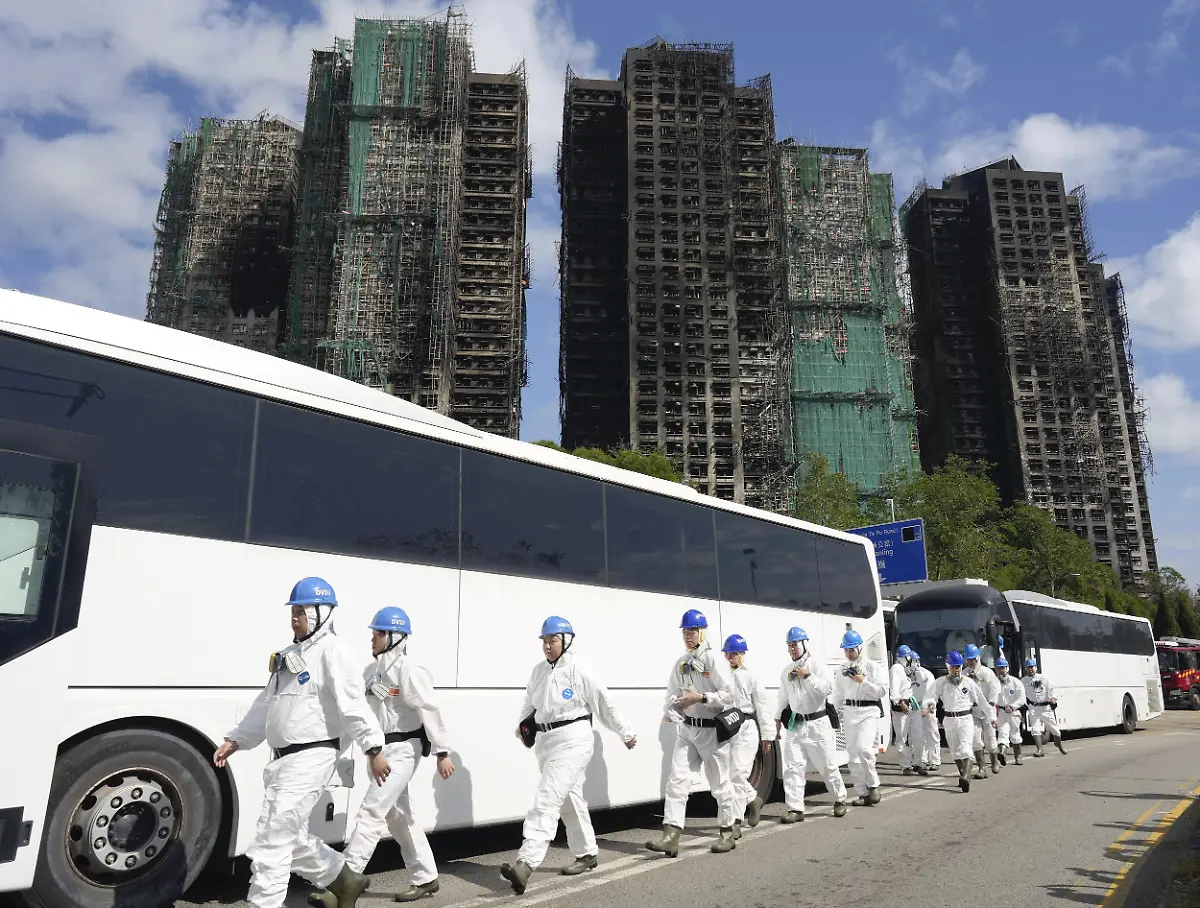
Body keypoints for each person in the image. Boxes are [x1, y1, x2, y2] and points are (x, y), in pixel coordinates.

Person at [213, 577, 389, 908]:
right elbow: (266, 703)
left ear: (321, 613)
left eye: (301, 611)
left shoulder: (335, 653)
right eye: (292, 612)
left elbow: (354, 707)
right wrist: (236, 739)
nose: (294, 618)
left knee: (273, 841)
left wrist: (374, 750)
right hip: (282, 761)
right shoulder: (290, 654)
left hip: (312, 756)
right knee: (290, 837)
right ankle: (344, 879)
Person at [501, 616, 637, 894]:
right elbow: (529, 705)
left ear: (566, 641)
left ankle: (525, 863)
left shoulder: (580, 670)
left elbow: (604, 704)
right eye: (545, 641)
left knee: (547, 798)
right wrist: (521, 727)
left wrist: (626, 733)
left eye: (552, 641)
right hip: (546, 741)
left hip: (574, 739)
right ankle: (587, 853)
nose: (547, 646)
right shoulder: (538, 671)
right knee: (569, 800)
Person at [327, 607, 454, 904]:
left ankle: (343, 882)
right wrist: (335, 749)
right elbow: (357, 715)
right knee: (399, 818)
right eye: (373, 632)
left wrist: (442, 752)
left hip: (405, 750)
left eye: (379, 633)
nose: (373, 638)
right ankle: (426, 877)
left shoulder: (410, 672)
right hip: (381, 752)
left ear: (397, 636)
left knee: (371, 812)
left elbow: (431, 711)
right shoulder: (371, 673)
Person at [646, 609, 740, 856]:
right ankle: (671, 835)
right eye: (685, 631)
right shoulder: (681, 663)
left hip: (711, 731)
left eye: (692, 631)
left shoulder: (713, 660)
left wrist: (701, 697)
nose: (688, 636)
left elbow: (730, 695)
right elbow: (671, 695)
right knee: (677, 781)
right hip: (688, 730)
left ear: (702, 632)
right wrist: (675, 709)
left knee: (719, 783)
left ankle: (728, 832)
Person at [775, 626, 848, 821]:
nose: (792, 648)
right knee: (792, 767)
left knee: (827, 765)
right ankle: (795, 809)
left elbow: (826, 688)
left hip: (818, 723)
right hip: (796, 724)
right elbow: (783, 697)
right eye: (789, 645)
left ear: (805, 644)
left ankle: (840, 798)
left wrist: (807, 676)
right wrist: (776, 719)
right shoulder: (786, 671)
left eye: (795, 644)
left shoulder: (816, 665)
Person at [721, 633, 773, 837]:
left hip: (747, 728)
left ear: (742, 654)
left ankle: (735, 821)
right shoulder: (723, 676)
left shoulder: (751, 677)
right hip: (728, 728)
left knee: (738, 773)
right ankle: (753, 799)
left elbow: (763, 707)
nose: (730, 657)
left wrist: (767, 735)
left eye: (734, 653)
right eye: (728, 653)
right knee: (728, 776)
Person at [831, 629, 888, 807]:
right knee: (852, 755)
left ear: (860, 648)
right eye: (846, 650)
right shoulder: (842, 669)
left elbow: (881, 691)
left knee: (864, 748)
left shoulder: (872, 667)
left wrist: (862, 680)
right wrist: (832, 713)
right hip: (849, 712)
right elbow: (838, 694)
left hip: (868, 711)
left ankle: (873, 785)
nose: (849, 653)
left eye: (852, 650)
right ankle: (862, 793)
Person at [932, 651, 991, 793]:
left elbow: (981, 701)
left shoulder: (969, 683)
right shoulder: (941, 683)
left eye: (958, 666)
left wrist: (991, 717)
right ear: (948, 667)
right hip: (949, 720)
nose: (956, 669)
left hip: (965, 719)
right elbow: (931, 696)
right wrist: (929, 705)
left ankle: (965, 777)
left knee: (966, 749)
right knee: (955, 752)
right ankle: (963, 773)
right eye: (953, 666)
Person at [963, 644, 1001, 778]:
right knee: (975, 740)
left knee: (990, 740)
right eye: (967, 659)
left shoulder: (986, 672)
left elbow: (995, 687)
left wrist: (991, 702)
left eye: (972, 659)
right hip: (972, 711)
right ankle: (982, 768)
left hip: (987, 710)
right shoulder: (964, 673)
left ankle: (994, 760)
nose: (970, 662)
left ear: (978, 658)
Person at [1022, 656, 1067, 756]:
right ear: (1025, 669)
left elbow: (1052, 690)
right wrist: (1024, 704)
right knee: (1035, 729)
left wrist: (1053, 698)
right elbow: (1021, 694)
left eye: (1032, 667)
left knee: (1055, 730)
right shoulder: (1023, 681)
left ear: (1036, 668)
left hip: (1046, 708)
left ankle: (1059, 745)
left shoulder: (1044, 679)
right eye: (1028, 667)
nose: (1030, 669)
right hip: (1033, 707)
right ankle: (1040, 749)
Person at [890, 645, 919, 776]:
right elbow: (894, 690)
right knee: (901, 737)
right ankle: (905, 766)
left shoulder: (904, 670)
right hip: (901, 707)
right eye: (908, 658)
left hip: (909, 705)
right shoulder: (896, 669)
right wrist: (900, 702)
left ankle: (917, 763)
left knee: (915, 735)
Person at [909, 651, 940, 773]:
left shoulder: (926, 675)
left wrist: (926, 706)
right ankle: (921, 760)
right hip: (914, 707)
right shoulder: (907, 676)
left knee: (931, 734)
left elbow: (931, 691)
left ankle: (935, 760)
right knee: (916, 735)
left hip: (927, 706)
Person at [994, 656, 1027, 766]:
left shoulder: (1015, 682)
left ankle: (1018, 756)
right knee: (1002, 733)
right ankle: (1002, 754)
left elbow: (1022, 698)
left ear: (1007, 668)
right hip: (1002, 712)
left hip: (1013, 712)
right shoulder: (994, 682)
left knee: (1015, 734)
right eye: (999, 668)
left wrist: (1013, 706)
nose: (1001, 670)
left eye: (1003, 668)